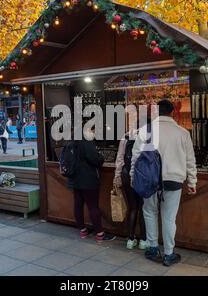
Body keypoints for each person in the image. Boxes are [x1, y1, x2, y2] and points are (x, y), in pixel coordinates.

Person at [130, 100, 197, 267]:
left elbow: (136, 157)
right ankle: (168, 253)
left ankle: (153, 248)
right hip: (173, 180)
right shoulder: (182, 133)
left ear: (155, 112)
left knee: (149, 213)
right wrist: (192, 181)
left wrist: (133, 177)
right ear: (173, 112)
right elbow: (190, 160)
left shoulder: (145, 131)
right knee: (169, 218)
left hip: (149, 180)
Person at [67, 127, 116, 242]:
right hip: (87, 180)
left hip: (74, 179)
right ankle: (100, 234)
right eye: (92, 131)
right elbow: (95, 159)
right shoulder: (86, 142)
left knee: (78, 205)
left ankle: (83, 231)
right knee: (93, 206)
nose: (93, 133)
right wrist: (101, 157)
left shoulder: (71, 143)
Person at [114, 128, 148, 250]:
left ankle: (130, 239)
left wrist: (117, 176)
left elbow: (120, 159)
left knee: (132, 208)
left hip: (127, 176)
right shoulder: (148, 136)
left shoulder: (126, 137)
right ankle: (144, 240)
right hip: (143, 177)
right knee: (143, 209)